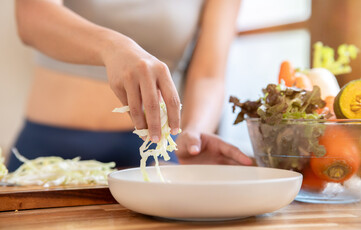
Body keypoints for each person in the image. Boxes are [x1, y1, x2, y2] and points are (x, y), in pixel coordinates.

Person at [7, 0, 252, 171]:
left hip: (152, 157)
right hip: (48, 149)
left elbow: (209, 74)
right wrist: (112, 46)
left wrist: (196, 131)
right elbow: (32, 15)